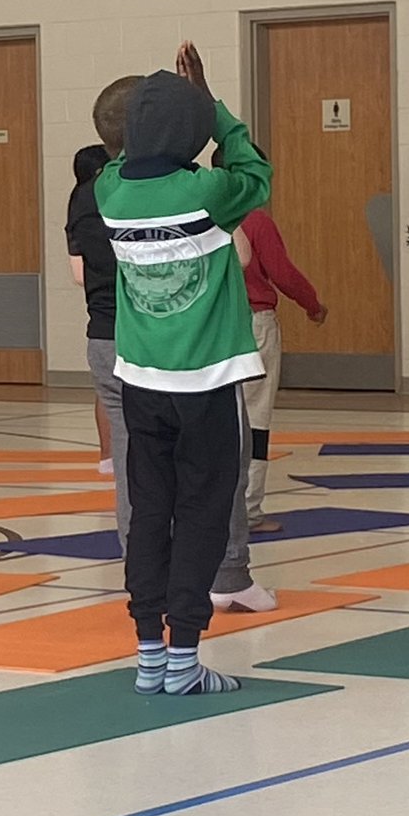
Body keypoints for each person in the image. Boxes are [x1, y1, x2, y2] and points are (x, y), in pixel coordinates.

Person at [95, 42, 272, 694]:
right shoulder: (206, 190)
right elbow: (256, 172)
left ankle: (148, 654)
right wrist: (214, 105)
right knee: (202, 514)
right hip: (207, 380)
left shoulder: (109, 190)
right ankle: (184, 659)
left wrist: (166, 107)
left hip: (140, 381)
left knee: (150, 513)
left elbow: (130, 152)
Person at [211, 145, 328, 538]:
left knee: (214, 418)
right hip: (254, 323)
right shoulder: (256, 222)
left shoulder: (200, 217)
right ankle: (247, 510)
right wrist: (313, 305)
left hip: (210, 326)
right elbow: (283, 272)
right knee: (255, 417)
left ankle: (211, 506)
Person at [65, 128, 134, 552]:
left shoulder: (78, 202)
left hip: (101, 331)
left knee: (126, 444)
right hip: (139, 333)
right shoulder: (139, 193)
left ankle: (136, 549)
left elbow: (78, 275)